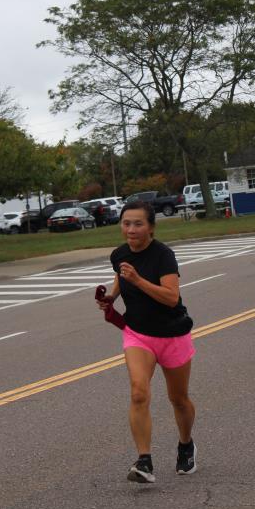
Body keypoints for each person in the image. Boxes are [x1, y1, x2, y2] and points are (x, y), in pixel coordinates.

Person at [98, 201, 197, 484]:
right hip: (138, 333)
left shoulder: (163, 256)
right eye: (126, 223)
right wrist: (111, 297)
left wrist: (139, 280)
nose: (131, 229)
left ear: (151, 227)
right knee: (139, 393)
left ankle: (186, 444)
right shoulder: (119, 254)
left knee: (178, 399)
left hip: (172, 334)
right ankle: (144, 460)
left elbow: (171, 298)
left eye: (138, 224)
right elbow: (121, 277)